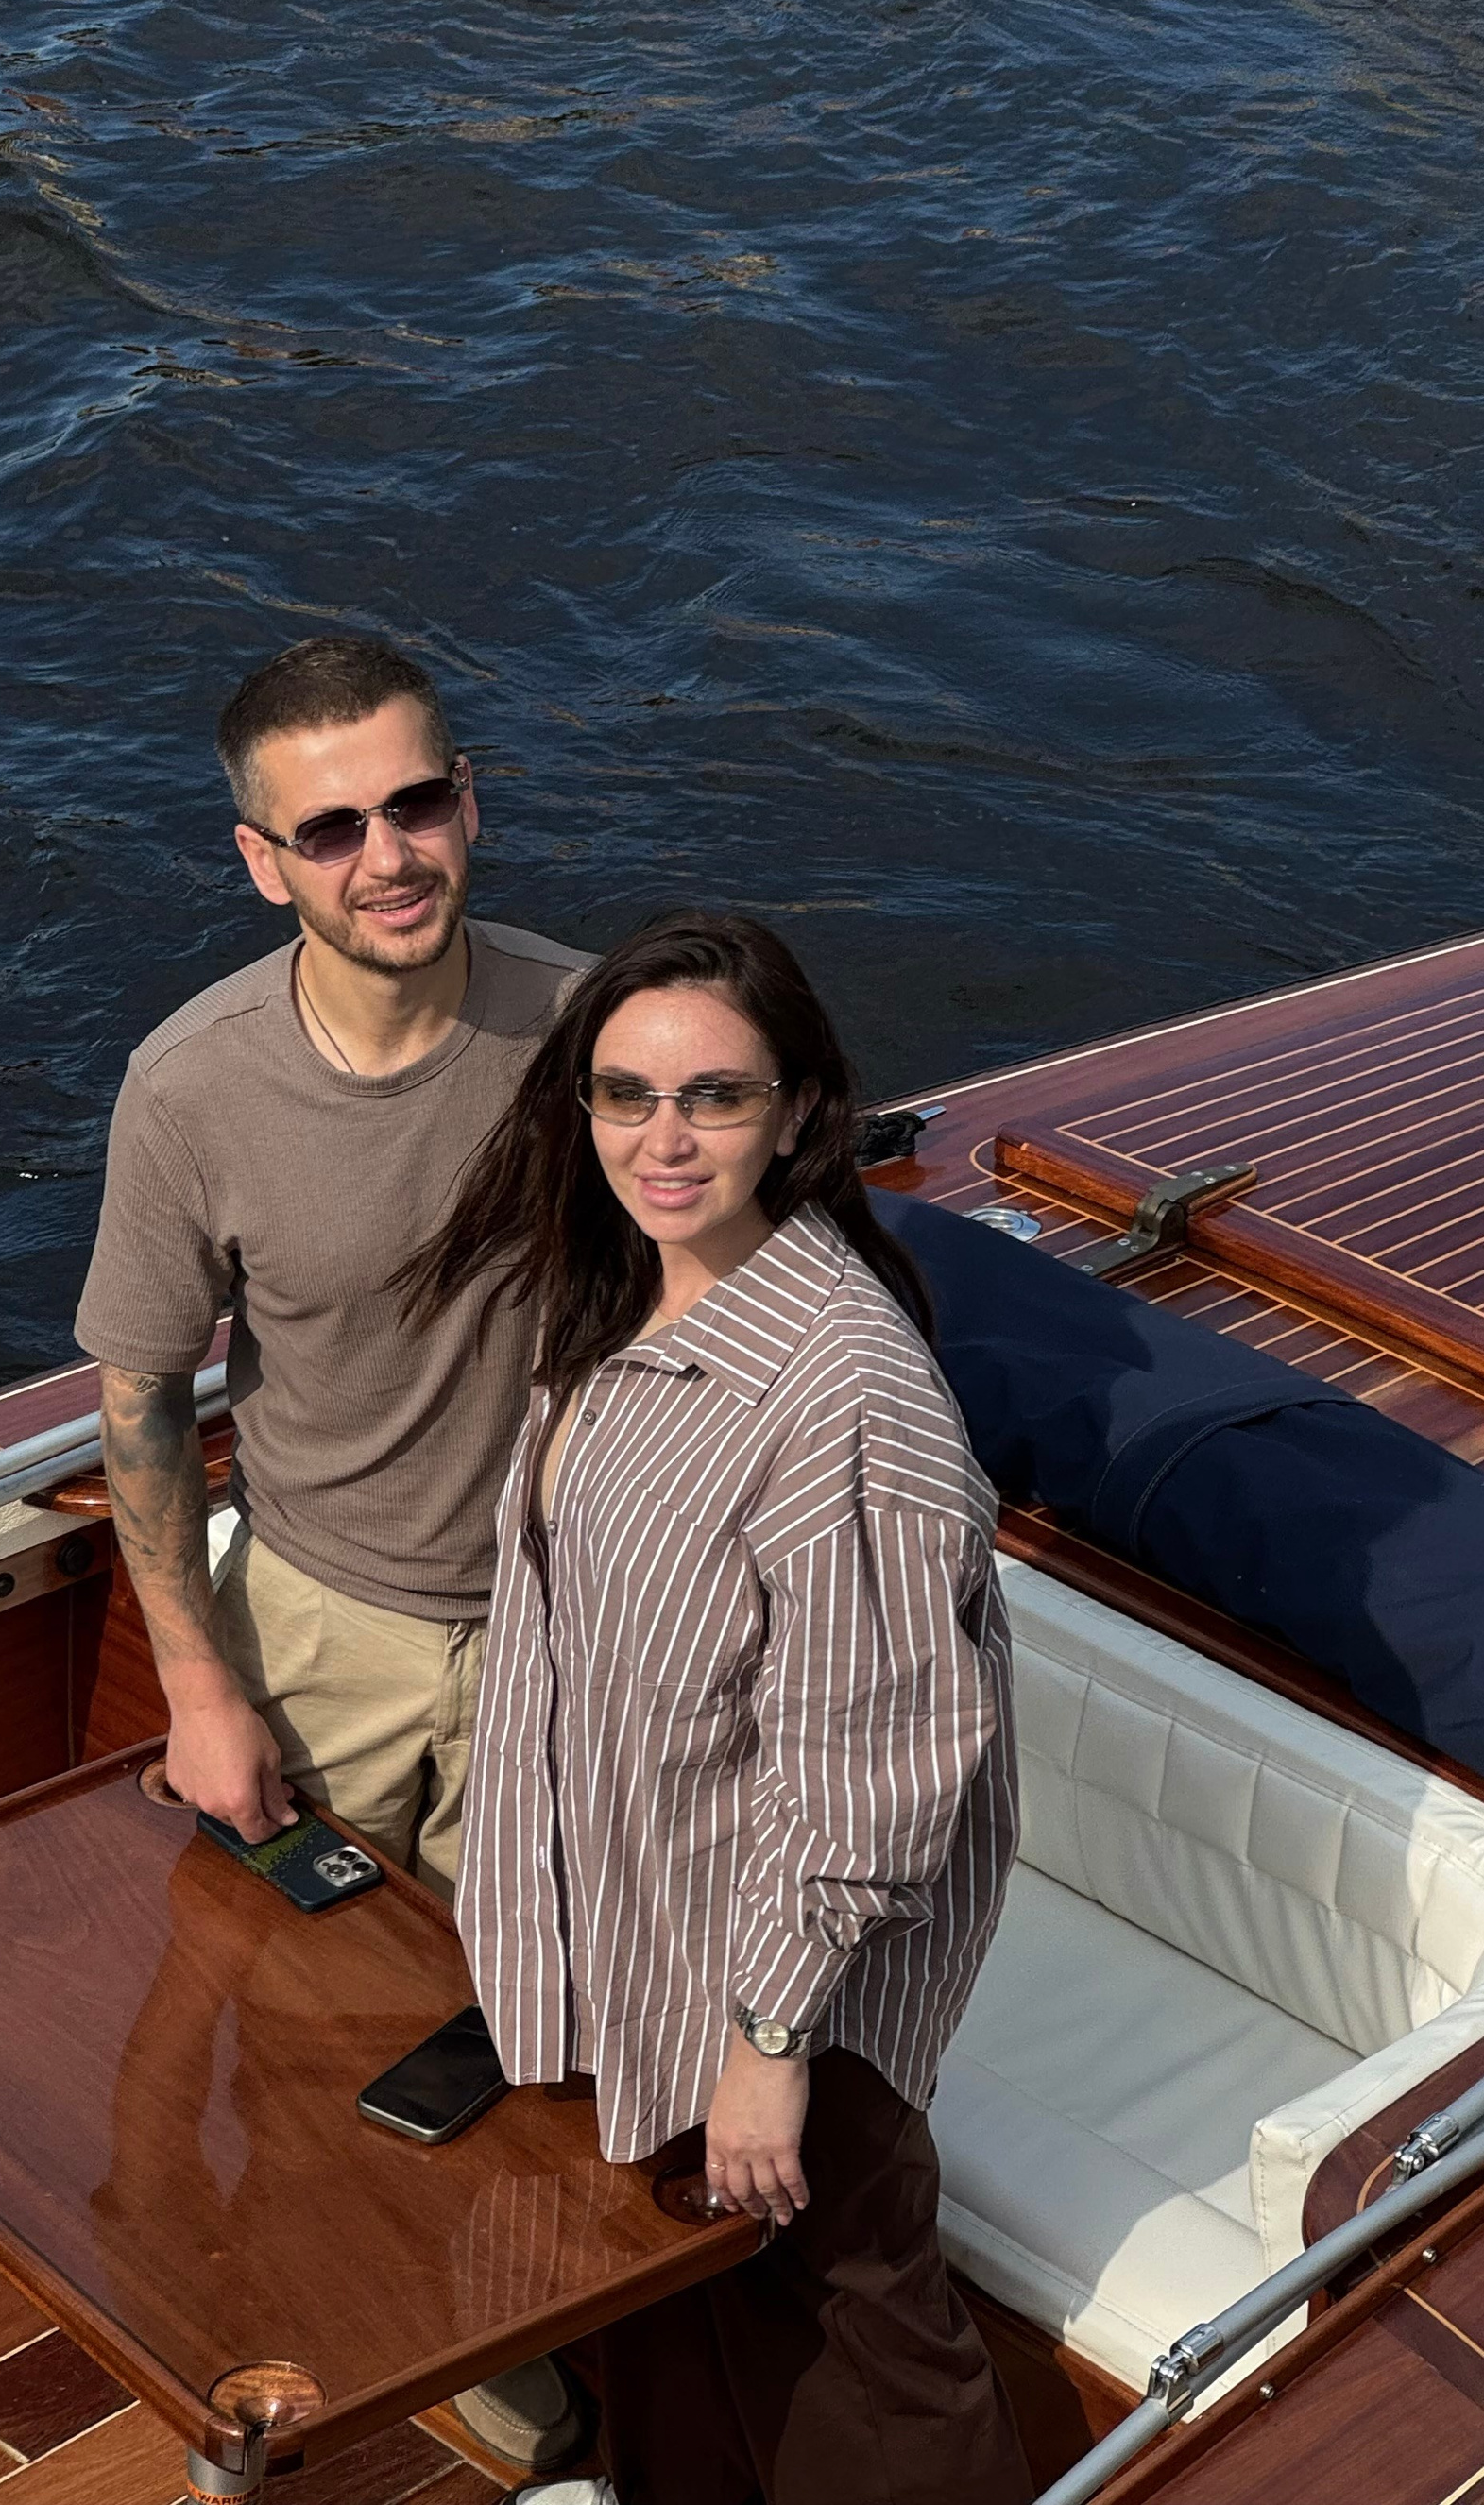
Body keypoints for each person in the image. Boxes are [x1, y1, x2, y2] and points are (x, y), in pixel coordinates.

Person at [401, 912, 1033, 2505]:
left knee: (857, 2367)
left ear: (802, 1111)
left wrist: (767, 2042)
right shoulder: (616, 1295)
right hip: (633, 1947)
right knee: (665, 2324)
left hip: (765, 1993)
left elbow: (870, 1758)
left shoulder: (845, 1384)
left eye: (714, 1098)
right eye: (625, 1095)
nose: (660, 1139)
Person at [72, 631, 589, 2478]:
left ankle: (501, 2353)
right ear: (259, 860)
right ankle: (290, 2328)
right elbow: (137, 1400)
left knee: (528, 2032)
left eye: (418, 801)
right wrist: (202, 1690)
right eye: (332, 826)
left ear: (474, 799)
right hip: (313, 1631)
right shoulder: (188, 1089)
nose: (389, 854)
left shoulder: (595, 1033)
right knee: (286, 2025)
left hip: (554, 1636)